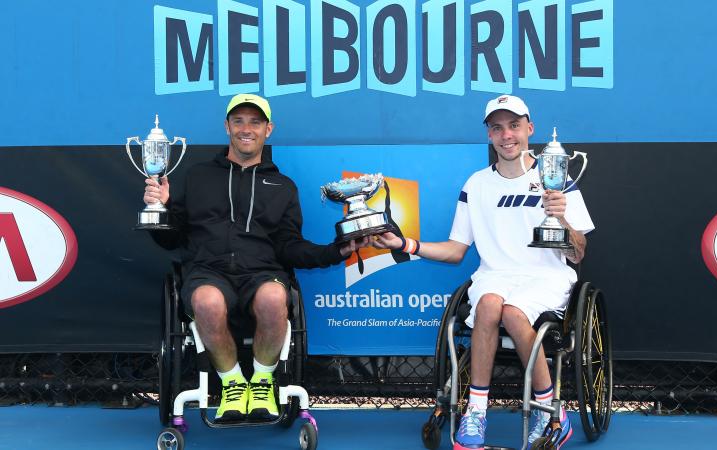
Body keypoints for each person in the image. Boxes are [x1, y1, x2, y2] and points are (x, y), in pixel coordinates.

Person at [373, 95, 593, 450]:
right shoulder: (476, 184)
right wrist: (406, 245)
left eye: (514, 126)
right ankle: (476, 410)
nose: (507, 135)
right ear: (489, 135)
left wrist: (561, 217)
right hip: (495, 275)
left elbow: (579, 252)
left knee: (512, 311)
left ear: (529, 129)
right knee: (490, 303)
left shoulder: (557, 176)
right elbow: (456, 250)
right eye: (497, 128)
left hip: (547, 278)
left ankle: (550, 412)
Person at [143, 94, 367, 422]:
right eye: (239, 121)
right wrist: (160, 209)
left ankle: (262, 384)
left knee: (276, 296)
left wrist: (336, 251)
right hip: (208, 271)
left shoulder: (283, 186)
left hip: (262, 273)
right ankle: (233, 385)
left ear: (268, 129)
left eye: (255, 122)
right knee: (206, 301)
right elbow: (171, 240)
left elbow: (290, 247)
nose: (246, 129)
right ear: (227, 127)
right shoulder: (197, 177)